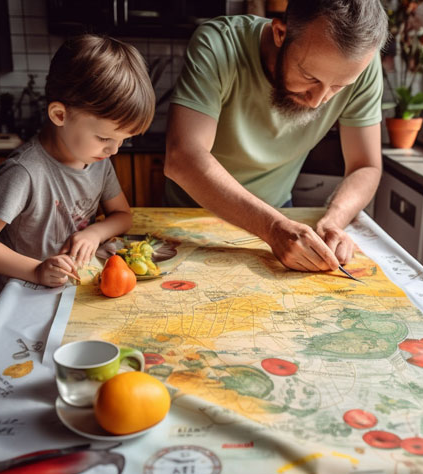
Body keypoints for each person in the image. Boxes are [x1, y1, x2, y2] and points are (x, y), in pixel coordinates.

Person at [164, 0, 387, 272]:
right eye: (309, 76)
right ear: (280, 33)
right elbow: (183, 156)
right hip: (193, 214)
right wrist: (271, 226)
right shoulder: (219, 43)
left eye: (338, 87)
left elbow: (366, 166)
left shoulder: (361, 66)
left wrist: (333, 220)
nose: (318, 101)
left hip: (281, 214)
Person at [0, 35, 155, 300]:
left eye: (123, 140)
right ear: (59, 115)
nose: (114, 150)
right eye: (105, 138)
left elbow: (122, 215)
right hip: (24, 297)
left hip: (71, 294)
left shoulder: (98, 161)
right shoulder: (24, 172)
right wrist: (37, 270)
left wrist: (93, 233)